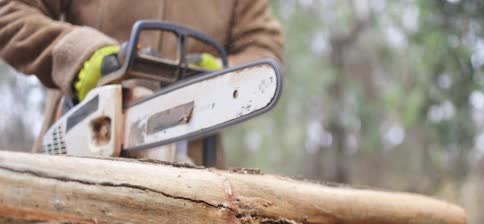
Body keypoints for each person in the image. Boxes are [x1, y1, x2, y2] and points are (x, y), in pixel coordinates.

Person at [0, 0, 283, 166]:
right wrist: (81, 55)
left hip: (193, 170)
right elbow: (10, 10)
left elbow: (264, 46)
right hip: (82, 144)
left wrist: (218, 72)